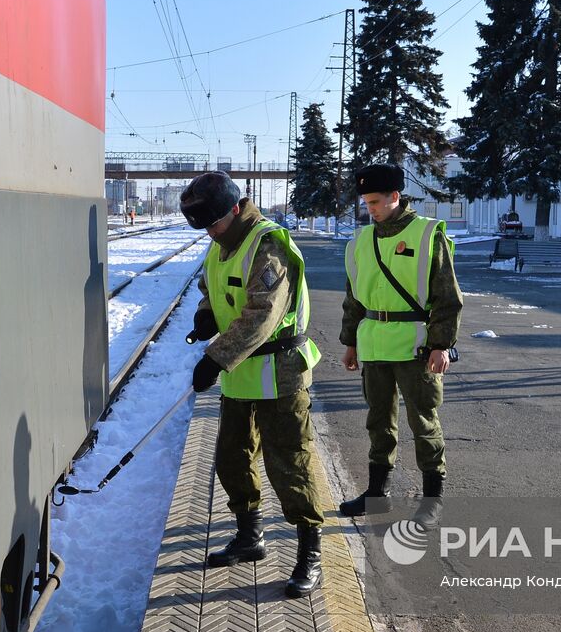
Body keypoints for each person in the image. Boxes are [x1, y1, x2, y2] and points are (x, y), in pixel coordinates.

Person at [181, 172, 329, 598]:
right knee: (232, 458)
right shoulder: (221, 240)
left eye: (214, 224)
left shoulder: (268, 245)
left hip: (279, 374)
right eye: (203, 227)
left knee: (290, 465)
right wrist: (206, 314)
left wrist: (215, 357)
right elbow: (211, 284)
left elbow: (262, 315)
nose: (210, 233)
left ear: (234, 210)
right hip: (240, 376)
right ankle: (250, 537)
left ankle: (309, 552)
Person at [338, 163, 462, 528]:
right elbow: (354, 299)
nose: (370, 208)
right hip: (374, 345)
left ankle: (432, 499)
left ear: (395, 196)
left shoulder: (426, 235)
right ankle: (377, 495)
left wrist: (441, 344)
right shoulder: (361, 241)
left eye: (376, 201)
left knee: (423, 422)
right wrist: (350, 343)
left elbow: (447, 296)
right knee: (378, 423)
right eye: (366, 202)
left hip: (416, 347)